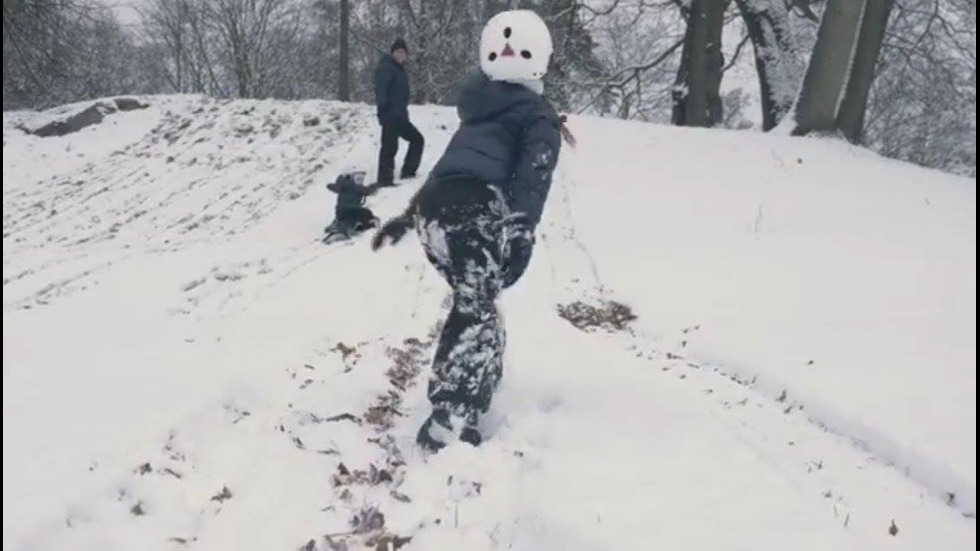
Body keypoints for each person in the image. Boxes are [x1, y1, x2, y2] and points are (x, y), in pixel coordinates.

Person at [371, 10, 563, 451]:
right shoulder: (538, 116)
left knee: (478, 297)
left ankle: (479, 390)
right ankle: (451, 411)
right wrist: (520, 231)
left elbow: (447, 169)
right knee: (476, 301)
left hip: (437, 216)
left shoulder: (479, 111)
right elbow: (533, 176)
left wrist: (410, 214)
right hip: (473, 212)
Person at [374, 38, 424, 186]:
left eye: (403, 52)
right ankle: (384, 179)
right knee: (389, 147)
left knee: (417, 140)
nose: (401, 55)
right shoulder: (387, 68)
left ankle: (408, 172)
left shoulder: (399, 69)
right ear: (392, 53)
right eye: (398, 52)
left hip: (400, 116)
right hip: (390, 115)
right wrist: (383, 112)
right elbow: (381, 90)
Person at [323, 171, 378, 243]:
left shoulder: (343, 186)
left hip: (340, 210)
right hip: (352, 210)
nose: (360, 181)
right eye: (358, 178)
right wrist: (375, 186)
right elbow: (368, 191)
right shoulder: (357, 188)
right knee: (357, 216)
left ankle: (339, 224)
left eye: (362, 178)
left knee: (347, 217)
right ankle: (342, 230)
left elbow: (330, 186)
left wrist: (339, 183)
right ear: (352, 178)